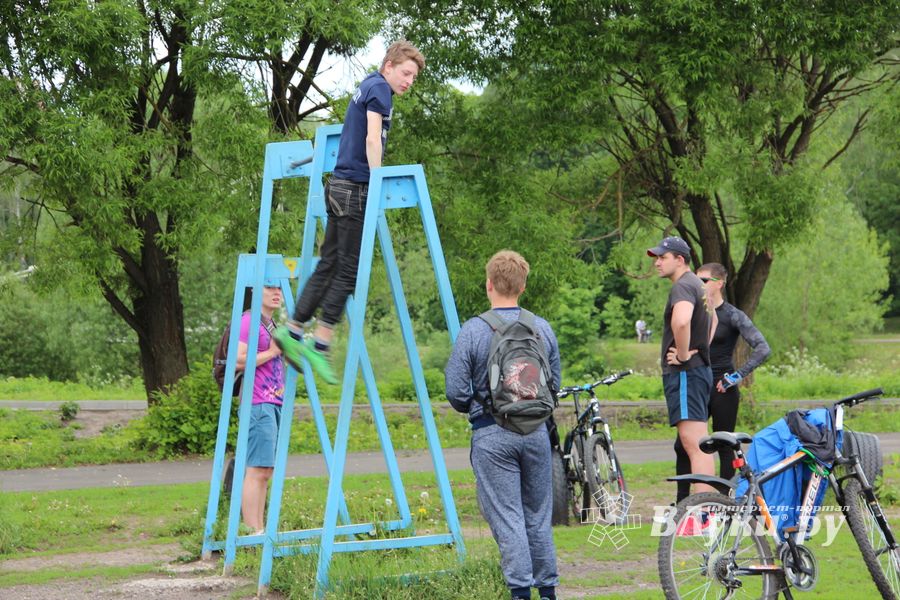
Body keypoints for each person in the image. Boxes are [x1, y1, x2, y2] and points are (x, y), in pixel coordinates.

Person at [273, 41, 425, 384]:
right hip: (355, 189)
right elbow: (373, 139)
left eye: (413, 77)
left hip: (338, 186)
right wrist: (377, 180)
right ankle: (321, 343)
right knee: (349, 272)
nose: (408, 81)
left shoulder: (367, 86)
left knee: (328, 264)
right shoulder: (380, 91)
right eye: (406, 73)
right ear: (389, 65)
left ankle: (293, 330)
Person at [445, 250, 561, 600]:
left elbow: (455, 389)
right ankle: (549, 591)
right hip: (537, 432)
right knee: (538, 516)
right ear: (523, 286)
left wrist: (477, 407)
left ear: (489, 284)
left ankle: (520, 592)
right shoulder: (541, 328)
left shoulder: (474, 330)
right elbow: (553, 382)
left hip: (492, 434)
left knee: (508, 516)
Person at [672, 262, 771, 501]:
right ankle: (683, 503)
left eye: (704, 281)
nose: (699, 285)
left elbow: (762, 348)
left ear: (719, 283)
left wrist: (736, 376)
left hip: (722, 388)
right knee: (683, 446)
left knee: (725, 446)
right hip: (697, 383)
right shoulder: (693, 311)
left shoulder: (733, 315)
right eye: (696, 280)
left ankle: (723, 502)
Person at [646, 236, 717, 500]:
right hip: (698, 372)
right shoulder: (698, 285)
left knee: (694, 445)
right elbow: (714, 320)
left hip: (687, 374)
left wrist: (685, 353)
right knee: (700, 445)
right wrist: (700, 348)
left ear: (680, 259)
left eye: (662, 257)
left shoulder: (682, 287)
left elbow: (682, 321)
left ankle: (703, 512)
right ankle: (708, 508)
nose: (657, 263)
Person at [236, 282, 285, 534]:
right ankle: (251, 532)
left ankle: (259, 530)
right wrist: (273, 351)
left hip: (274, 401)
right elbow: (237, 359)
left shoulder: (271, 324)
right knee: (256, 469)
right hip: (258, 403)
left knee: (266, 470)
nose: (276, 293)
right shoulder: (249, 321)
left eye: (279, 288)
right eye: (269, 287)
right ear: (255, 290)